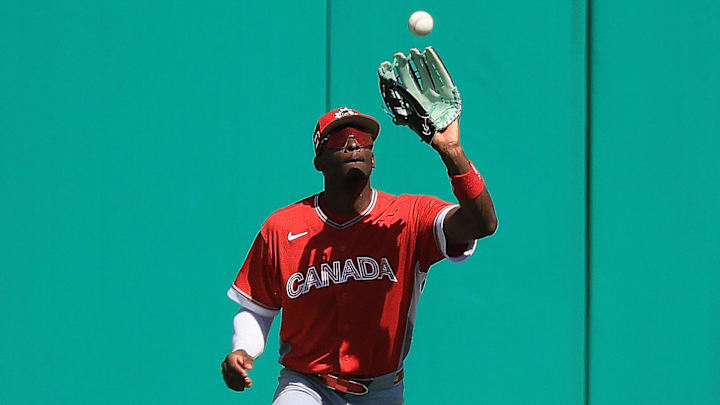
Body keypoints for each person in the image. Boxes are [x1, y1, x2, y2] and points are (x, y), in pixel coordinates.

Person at [221, 107, 497, 404]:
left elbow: (482, 224)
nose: (353, 144)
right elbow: (258, 308)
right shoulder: (282, 227)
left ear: (374, 157)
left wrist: (452, 152)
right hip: (308, 384)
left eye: (363, 139)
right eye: (340, 138)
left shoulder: (409, 217)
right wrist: (243, 349)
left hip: (382, 390)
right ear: (319, 160)